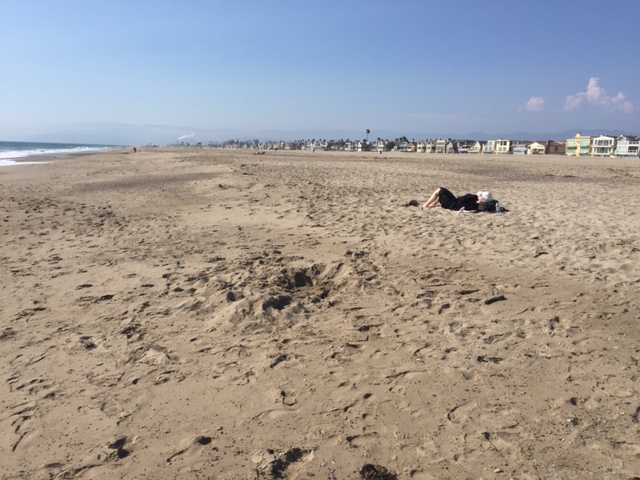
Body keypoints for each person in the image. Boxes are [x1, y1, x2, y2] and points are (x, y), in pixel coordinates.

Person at [422, 187, 497, 212]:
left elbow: (461, 200)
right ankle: (433, 203)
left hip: (452, 204)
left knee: (439, 190)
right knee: (443, 195)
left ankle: (426, 205)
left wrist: (476, 201)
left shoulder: (474, 200)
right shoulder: (476, 205)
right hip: (453, 204)